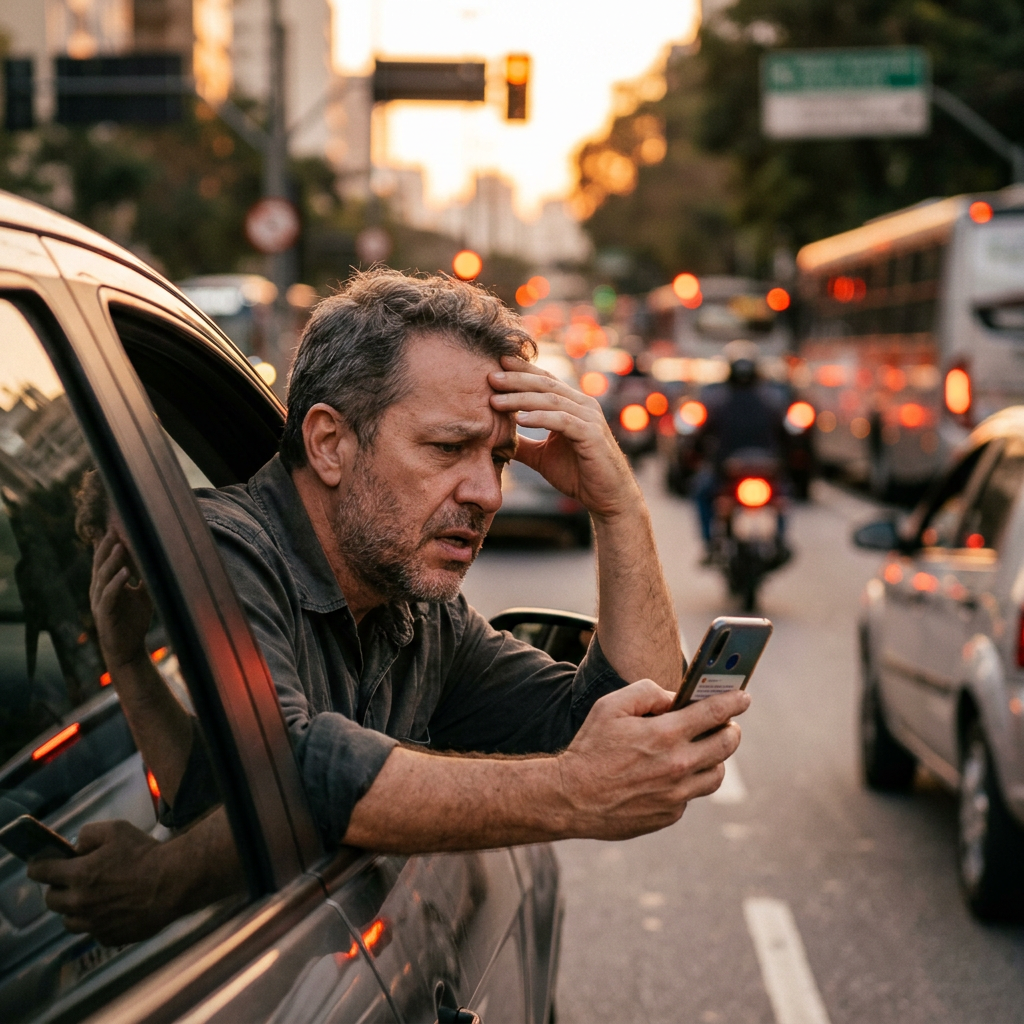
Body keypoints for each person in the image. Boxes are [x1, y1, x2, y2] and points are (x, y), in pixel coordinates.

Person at [30, 269, 748, 942]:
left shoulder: (419, 613)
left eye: (497, 458)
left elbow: (637, 714)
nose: (489, 494)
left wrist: (616, 505)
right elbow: (292, 772)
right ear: (330, 443)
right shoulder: (224, 547)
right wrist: (573, 790)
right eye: (448, 448)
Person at [690, 341, 790, 560]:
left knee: (700, 492)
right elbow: (786, 436)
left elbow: (700, 435)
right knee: (782, 496)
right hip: (765, 469)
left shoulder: (716, 400)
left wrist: (697, 453)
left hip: (729, 470)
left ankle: (710, 544)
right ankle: (781, 541)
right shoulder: (772, 400)